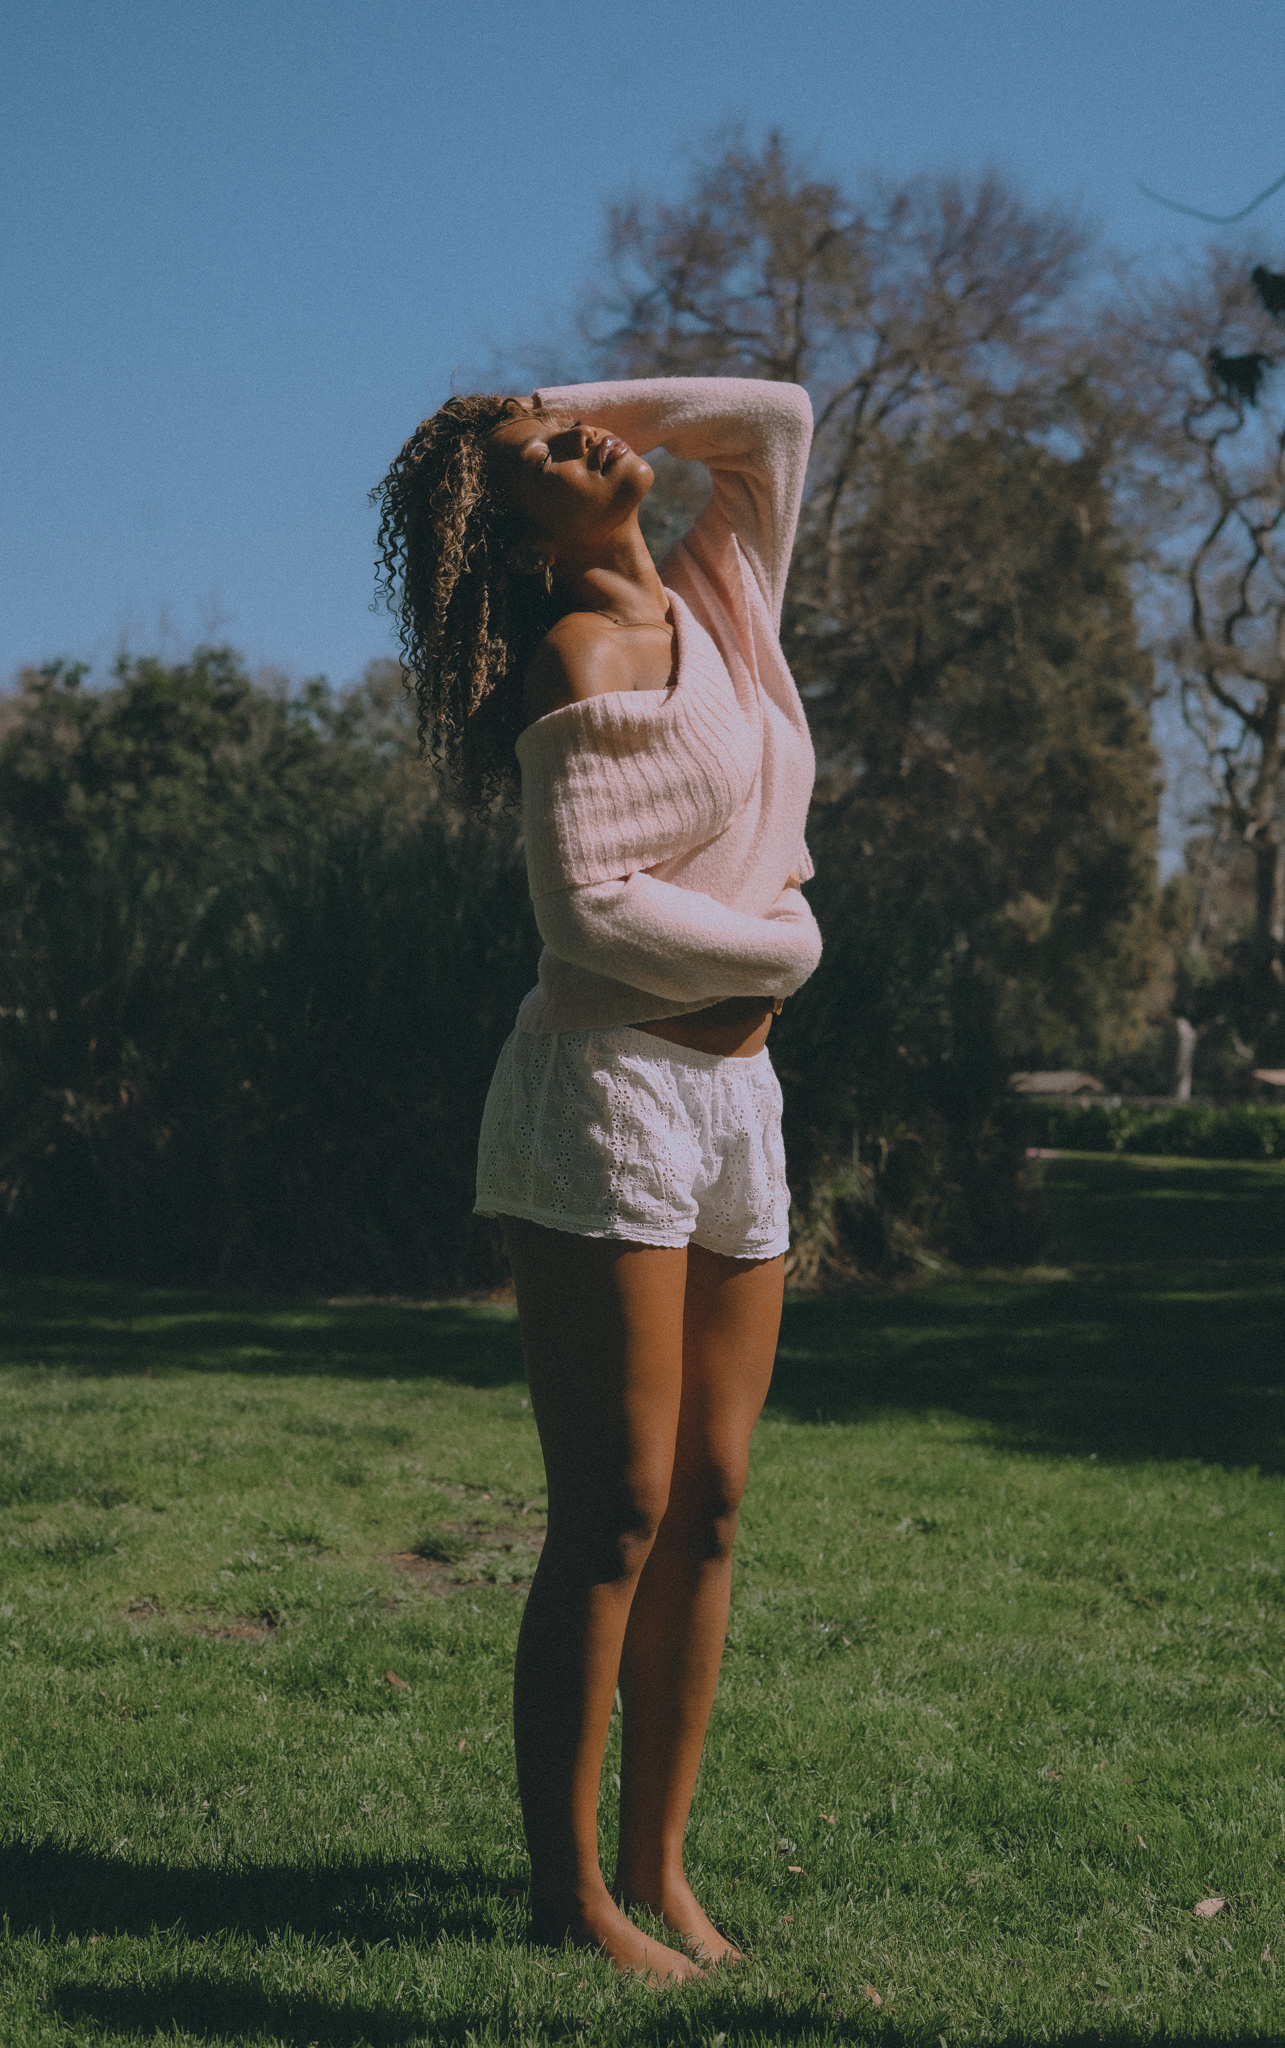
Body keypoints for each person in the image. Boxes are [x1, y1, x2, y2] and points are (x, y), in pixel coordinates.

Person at [373, 376, 821, 1981]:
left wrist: (537, 407)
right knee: (618, 1507)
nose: (585, 445)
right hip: (608, 1096)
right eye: (544, 460)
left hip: (738, 1100)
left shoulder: (719, 591)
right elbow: (587, 913)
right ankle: (568, 1898)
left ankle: (659, 1870)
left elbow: (771, 421)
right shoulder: (576, 658)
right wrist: (785, 947)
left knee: (711, 1501)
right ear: (514, 541)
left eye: (571, 427)